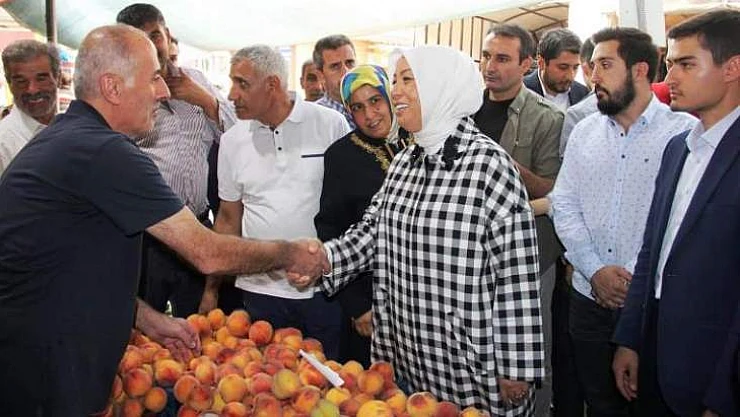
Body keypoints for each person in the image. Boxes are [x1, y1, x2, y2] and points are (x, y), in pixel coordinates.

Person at [0, 24, 326, 416]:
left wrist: (148, 319)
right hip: (40, 372)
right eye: (153, 78)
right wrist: (290, 253)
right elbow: (206, 252)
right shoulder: (103, 152)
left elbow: (73, 268)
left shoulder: (72, 139)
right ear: (112, 88)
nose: (164, 91)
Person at [297, 45, 543, 415]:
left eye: (407, 80)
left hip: (467, 363)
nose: (395, 91)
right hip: (407, 357)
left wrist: (516, 366)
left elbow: (516, 275)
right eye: (395, 81)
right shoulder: (406, 162)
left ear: (440, 86)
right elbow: (371, 233)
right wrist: (322, 260)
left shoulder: (488, 166)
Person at [550, 27, 696, 417]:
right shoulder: (584, 131)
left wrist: (631, 278)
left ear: (639, 70)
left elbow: (679, 219)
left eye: (605, 65)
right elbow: (564, 203)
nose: (593, 76)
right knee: (599, 402)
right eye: (592, 65)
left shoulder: (682, 134)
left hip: (650, 304)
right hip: (588, 298)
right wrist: (595, 270)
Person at [612, 9, 740, 417]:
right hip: (655, 355)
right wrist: (630, 338)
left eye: (686, 64)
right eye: (669, 64)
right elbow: (653, 248)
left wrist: (725, 395)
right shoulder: (677, 147)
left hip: (714, 369)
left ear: (732, 68)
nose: (670, 78)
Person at [203, 45, 350, 359]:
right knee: (265, 378)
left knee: (329, 381)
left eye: (242, 84)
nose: (231, 95)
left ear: (271, 85)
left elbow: (348, 209)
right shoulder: (232, 141)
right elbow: (228, 218)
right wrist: (211, 288)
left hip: (323, 291)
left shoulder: (330, 124)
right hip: (259, 292)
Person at [116, 3, 237, 318]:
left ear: (168, 36)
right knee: (142, 329)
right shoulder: (127, 94)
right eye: (140, 39)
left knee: (199, 326)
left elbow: (239, 139)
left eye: (155, 35)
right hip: (147, 237)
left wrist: (204, 99)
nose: (151, 45)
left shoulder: (196, 80)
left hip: (196, 228)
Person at [474, 23, 562, 417]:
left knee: (527, 359)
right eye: (486, 56)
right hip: (471, 258)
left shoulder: (547, 119)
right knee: (479, 353)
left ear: (527, 64)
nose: (490, 66)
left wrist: (508, 168)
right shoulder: (464, 111)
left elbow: (554, 192)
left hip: (527, 260)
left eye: (502, 59)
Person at [314, 64, 410, 367]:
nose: (369, 115)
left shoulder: (418, 140)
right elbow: (330, 230)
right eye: (357, 107)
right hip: (371, 300)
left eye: (375, 101)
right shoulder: (341, 156)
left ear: (389, 97)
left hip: (418, 296)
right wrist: (356, 305)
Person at [0, 39, 59, 174]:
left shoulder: (70, 128)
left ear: (58, 78)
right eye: (21, 81)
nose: (32, 89)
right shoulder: (3, 143)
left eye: (41, 79)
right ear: (9, 84)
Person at [525, 28, 590, 111]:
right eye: (563, 67)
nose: (571, 76)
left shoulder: (583, 94)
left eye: (575, 67)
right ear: (541, 63)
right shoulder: (519, 92)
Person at [313, 34, 357, 128]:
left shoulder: (373, 109)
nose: (346, 71)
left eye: (350, 63)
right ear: (320, 75)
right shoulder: (314, 119)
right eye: (335, 66)